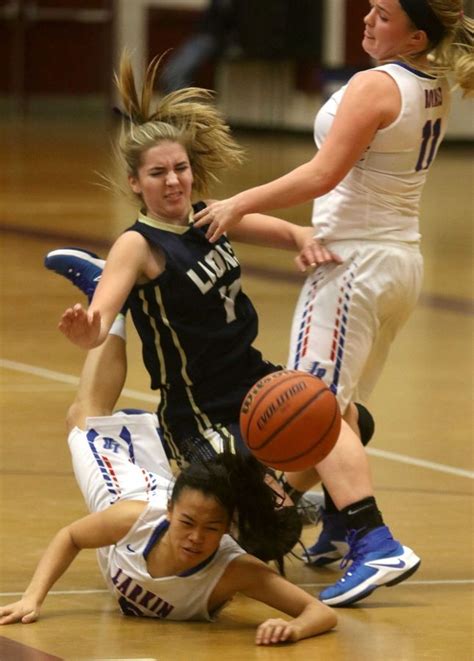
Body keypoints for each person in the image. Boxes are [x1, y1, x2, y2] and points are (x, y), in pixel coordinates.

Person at [50, 50, 421, 607]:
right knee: (248, 535)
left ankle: (332, 515)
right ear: (135, 183)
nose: (173, 181)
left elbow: (282, 230)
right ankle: (290, 504)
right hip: (198, 410)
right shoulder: (138, 244)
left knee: (347, 420)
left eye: (180, 168)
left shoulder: (208, 217)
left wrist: (305, 241)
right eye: (157, 173)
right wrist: (95, 325)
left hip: (252, 381)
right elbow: (97, 319)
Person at [193, 0, 474, 565]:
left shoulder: (378, 84)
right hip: (397, 261)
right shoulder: (434, 81)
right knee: (339, 408)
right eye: (370, 7)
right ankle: (340, 526)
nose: (368, 19)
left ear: (416, 36)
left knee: (313, 404)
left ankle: (376, 542)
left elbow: (324, 173)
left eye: (385, 14)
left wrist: (237, 202)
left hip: (353, 266)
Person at [0, 333, 337, 645]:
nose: (195, 537)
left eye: (211, 529)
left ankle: (294, 502)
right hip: (128, 490)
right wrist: (33, 597)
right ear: (171, 511)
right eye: (188, 523)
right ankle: (110, 305)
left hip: (172, 492)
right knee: (83, 415)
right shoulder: (133, 517)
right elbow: (71, 537)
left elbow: (321, 613)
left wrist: (294, 627)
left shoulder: (234, 571)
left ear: (226, 531)